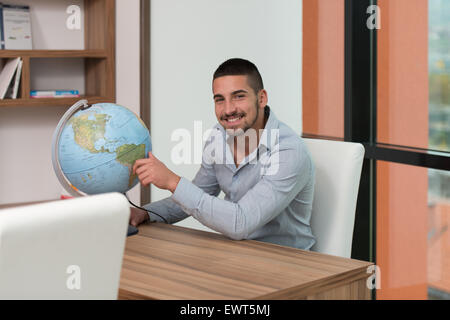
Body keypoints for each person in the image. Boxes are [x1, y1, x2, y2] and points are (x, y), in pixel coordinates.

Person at [130, 58, 316, 250]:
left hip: (288, 264)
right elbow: (196, 196)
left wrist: (172, 182)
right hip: (237, 255)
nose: (228, 109)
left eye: (238, 96)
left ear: (262, 98)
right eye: (220, 99)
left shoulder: (288, 151)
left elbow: (240, 223)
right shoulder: (218, 137)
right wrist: (145, 213)